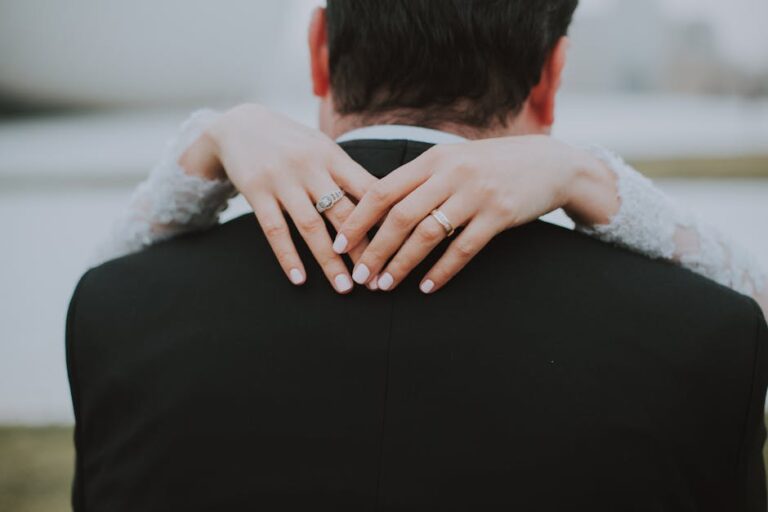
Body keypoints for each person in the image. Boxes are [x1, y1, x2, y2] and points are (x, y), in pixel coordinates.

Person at [68, 1, 768, 510]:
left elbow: (101, 283)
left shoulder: (118, 311)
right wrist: (589, 178)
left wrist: (208, 143)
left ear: (319, 51)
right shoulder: (706, 336)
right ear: (551, 79)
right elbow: (747, 311)